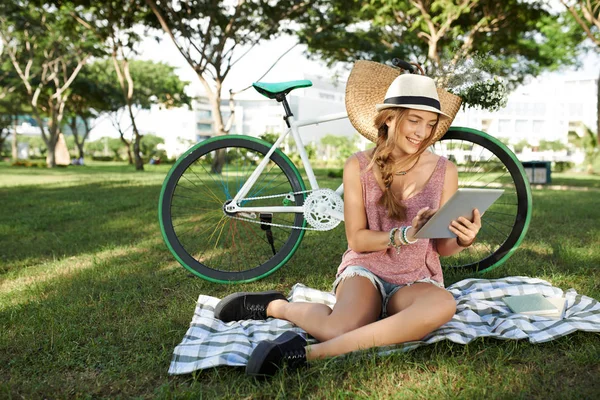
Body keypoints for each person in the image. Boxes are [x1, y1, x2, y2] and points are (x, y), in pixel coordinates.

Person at [213, 61, 481, 377]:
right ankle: (276, 306)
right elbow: (357, 239)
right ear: (391, 119)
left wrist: (464, 239)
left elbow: (443, 247)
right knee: (338, 326)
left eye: (431, 123)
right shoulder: (357, 166)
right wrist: (406, 234)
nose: (422, 132)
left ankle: (307, 354)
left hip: (417, 278)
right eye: (414, 120)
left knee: (443, 305)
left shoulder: (445, 170)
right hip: (366, 269)